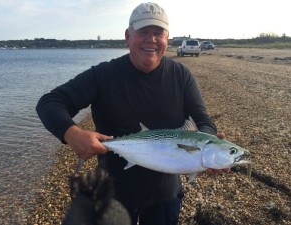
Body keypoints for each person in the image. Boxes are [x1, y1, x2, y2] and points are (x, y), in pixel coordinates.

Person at [36, 2, 227, 225]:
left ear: (167, 39)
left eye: (158, 33)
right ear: (128, 36)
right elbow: (50, 102)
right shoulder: (103, 75)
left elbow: (204, 122)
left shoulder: (181, 76)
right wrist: (72, 133)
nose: (151, 39)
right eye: (143, 32)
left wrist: (208, 148)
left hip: (165, 197)